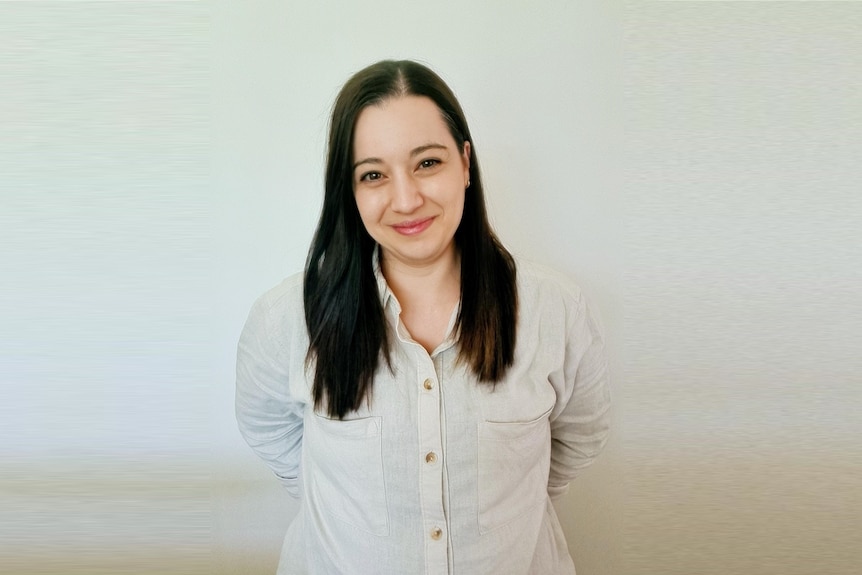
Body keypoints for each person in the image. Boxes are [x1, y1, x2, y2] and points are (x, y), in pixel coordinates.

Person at [236, 59, 611, 575]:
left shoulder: (555, 311)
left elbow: (578, 436)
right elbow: (270, 433)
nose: (406, 199)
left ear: (465, 162)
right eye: (373, 174)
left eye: (427, 163)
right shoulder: (285, 320)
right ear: (350, 190)